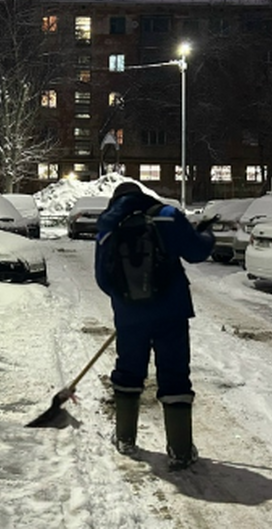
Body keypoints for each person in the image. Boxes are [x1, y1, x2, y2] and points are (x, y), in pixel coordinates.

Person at [93, 182, 215, 470]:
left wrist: (128, 299)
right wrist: (206, 234)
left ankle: (125, 438)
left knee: (128, 371)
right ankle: (181, 450)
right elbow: (197, 252)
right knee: (174, 374)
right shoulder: (166, 215)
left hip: (130, 318)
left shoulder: (109, 225)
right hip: (171, 313)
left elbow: (102, 279)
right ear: (142, 195)